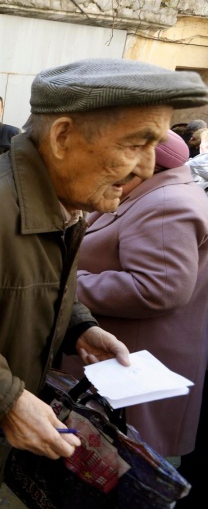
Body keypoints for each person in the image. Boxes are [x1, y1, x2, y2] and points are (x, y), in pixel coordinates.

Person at [0, 58, 208, 509]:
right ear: (63, 136)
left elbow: (28, 281)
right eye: (136, 144)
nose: (147, 169)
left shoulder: (60, 195)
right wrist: (7, 402)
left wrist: (78, 325)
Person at [60, 130, 208, 462]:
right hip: (120, 359)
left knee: (120, 470)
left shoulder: (167, 203)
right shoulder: (149, 192)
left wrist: (69, 284)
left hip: (136, 367)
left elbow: (158, 288)